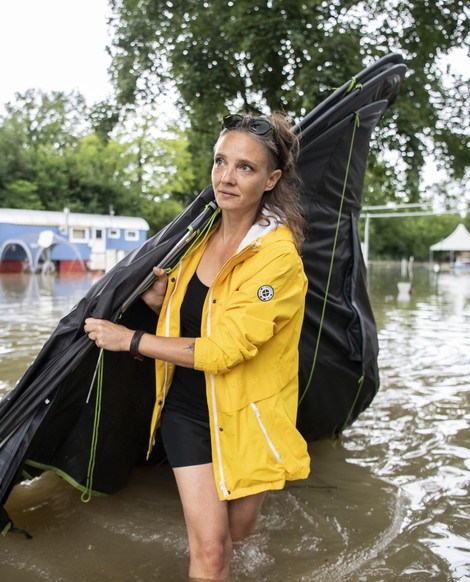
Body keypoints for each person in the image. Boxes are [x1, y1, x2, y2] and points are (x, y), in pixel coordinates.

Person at [84, 112, 310, 580]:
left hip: (250, 416)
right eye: (220, 161)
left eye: (245, 167)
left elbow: (226, 348)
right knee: (211, 553)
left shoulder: (278, 258)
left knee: (242, 540)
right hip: (187, 409)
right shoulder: (193, 237)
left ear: (272, 179)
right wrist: (160, 302)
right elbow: (200, 313)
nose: (226, 177)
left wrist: (132, 341)